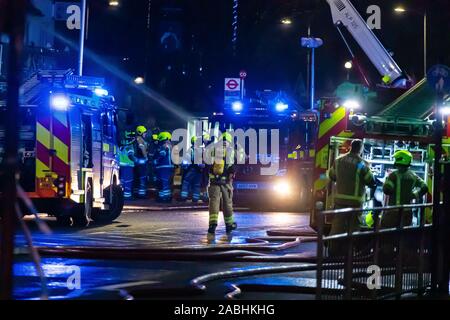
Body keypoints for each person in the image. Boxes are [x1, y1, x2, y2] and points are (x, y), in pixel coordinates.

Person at [328, 139, 376, 237]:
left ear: (351, 147)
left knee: (337, 226)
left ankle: (333, 247)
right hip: (355, 202)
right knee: (353, 228)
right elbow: (370, 181)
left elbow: (332, 176)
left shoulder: (338, 160)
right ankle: (350, 249)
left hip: (340, 201)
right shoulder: (362, 163)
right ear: (361, 149)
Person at [381, 150, 428, 228]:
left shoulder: (393, 175)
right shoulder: (413, 176)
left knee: (388, 236)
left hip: (393, 212)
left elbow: (386, 190)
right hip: (407, 213)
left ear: (400, 160)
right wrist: (414, 195)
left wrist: (386, 182)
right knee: (403, 236)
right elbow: (425, 187)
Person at [207, 132, 238, 236]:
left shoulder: (213, 149)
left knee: (214, 202)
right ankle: (229, 225)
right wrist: (231, 174)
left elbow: (208, 164)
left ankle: (212, 225)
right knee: (227, 203)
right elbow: (232, 166)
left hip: (214, 181)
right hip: (225, 182)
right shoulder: (230, 150)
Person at [180, 136, 204, 203]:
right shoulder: (201, 151)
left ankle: (183, 197)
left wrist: (184, 166)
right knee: (197, 185)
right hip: (199, 171)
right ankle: (195, 199)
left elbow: (186, 161)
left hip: (191, 169)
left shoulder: (191, 150)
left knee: (186, 182)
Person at [154, 131, 174, 202]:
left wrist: (156, 160)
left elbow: (162, 154)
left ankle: (165, 198)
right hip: (168, 167)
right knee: (165, 182)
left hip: (163, 167)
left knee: (163, 182)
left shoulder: (164, 145)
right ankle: (163, 197)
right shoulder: (170, 145)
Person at [119, 131, 136, 200]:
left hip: (121, 166)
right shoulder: (130, 147)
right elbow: (131, 156)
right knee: (128, 181)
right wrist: (137, 160)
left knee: (122, 181)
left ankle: (122, 195)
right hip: (128, 166)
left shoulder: (122, 146)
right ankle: (127, 196)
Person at [134, 125, 149, 198]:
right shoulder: (139, 139)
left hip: (139, 161)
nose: (145, 134)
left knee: (139, 178)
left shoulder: (139, 139)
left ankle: (139, 193)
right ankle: (141, 194)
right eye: (144, 133)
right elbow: (142, 149)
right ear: (140, 132)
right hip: (141, 161)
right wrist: (146, 157)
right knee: (142, 177)